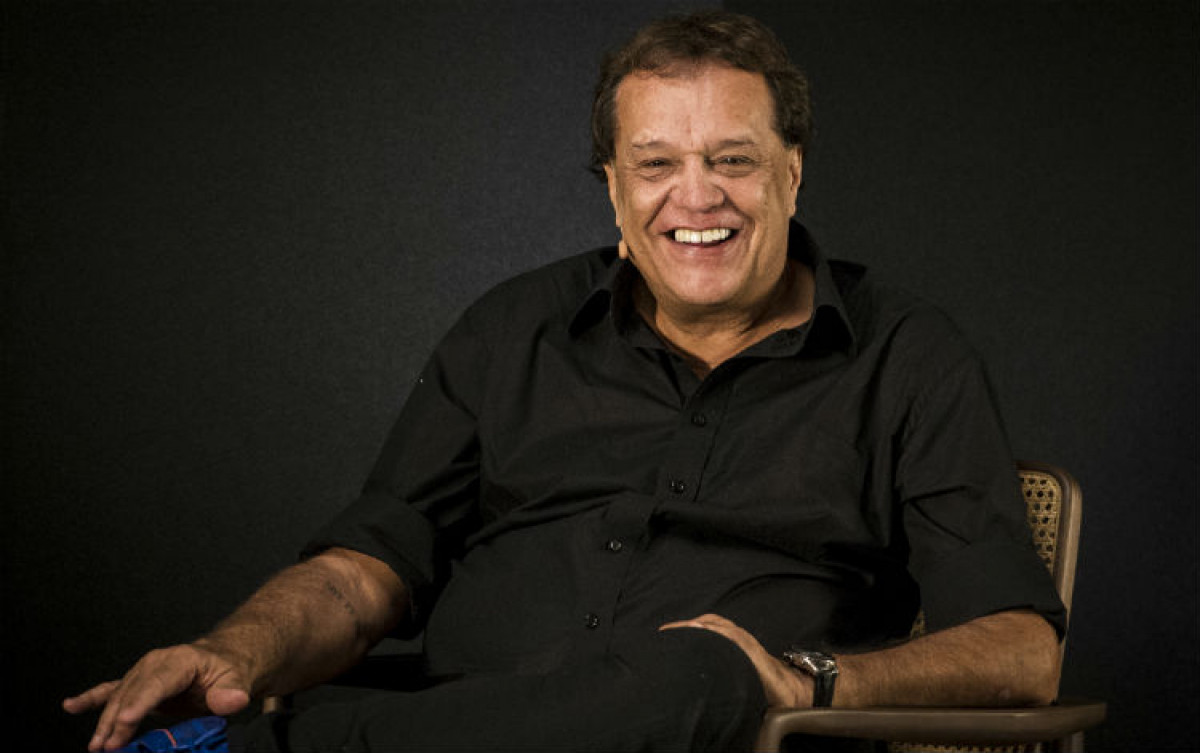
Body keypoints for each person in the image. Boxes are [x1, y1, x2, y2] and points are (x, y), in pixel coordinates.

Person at [64, 10, 1066, 753]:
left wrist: (804, 680)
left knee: (704, 665)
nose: (697, 197)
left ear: (791, 173)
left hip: (724, 731)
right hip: (454, 714)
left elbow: (1023, 649)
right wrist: (240, 649)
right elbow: (365, 570)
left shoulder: (909, 357)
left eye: (733, 159)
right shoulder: (515, 329)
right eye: (656, 165)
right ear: (614, 190)